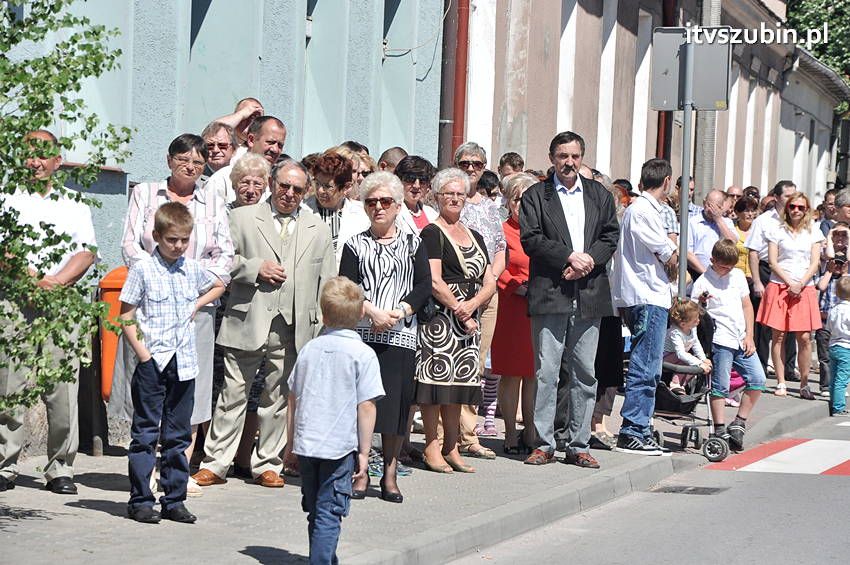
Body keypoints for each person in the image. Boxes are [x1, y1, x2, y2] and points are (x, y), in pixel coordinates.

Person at [192, 159, 336, 489]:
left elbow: (327, 279)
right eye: (284, 186)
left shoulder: (318, 228)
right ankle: (216, 462)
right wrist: (255, 268)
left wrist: (322, 325)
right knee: (232, 393)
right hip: (248, 316)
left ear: (306, 192)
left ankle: (268, 463)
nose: (289, 194)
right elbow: (221, 260)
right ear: (271, 184)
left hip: (294, 324)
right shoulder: (241, 217)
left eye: (297, 189)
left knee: (278, 396)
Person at [118, 133, 233, 494]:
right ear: (170, 160)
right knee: (150, 391)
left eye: (198, 163)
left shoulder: (212, 198)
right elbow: (130, 244)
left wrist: (191, 288)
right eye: (184, 159)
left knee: (189, 393)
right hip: (150, 305)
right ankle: (145, 473)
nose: (191, 167)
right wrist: (159, 275)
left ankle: (177, 474)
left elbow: (224, 255)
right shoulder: (146, 193)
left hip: (195, 305)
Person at [0, 129, 97, 495]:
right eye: (29, 154)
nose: (36, 162)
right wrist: (34, 281)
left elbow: (86, 253)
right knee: (9, 384)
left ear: (58, 161)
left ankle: (61, 468)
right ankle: (5, 464)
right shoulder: (5, 200)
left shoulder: (74, 204)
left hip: (62, 301)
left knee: (62, 389)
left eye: (44, 154)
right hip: (14, 299)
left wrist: (55, 284)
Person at [119, 202, 225, 524]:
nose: (178, 246)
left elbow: (220, 283)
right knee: (146, 434)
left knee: (179, 435)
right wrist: (143, 354)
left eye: (183, 240)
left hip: (185, 363)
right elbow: (126, 314)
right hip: (153, 361)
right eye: (171, 241)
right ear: (156, 237)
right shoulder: (142, 269)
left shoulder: (191, 268)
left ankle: (174, 500)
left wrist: (197, 303)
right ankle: (140, 500)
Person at [519, 131, 619, 468]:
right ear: (552, 158)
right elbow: (531, 239)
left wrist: (588, 260)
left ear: (582, 158)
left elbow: (610, 235)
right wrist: (569, 258)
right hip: (551, 291)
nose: (569, 162)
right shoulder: (536, 195)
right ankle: (544, 442)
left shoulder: (598, 195)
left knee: (584, 372)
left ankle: (578, 443)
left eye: (575, 156)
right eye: (562, 156)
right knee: (547, 371)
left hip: (589, 292)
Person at [338, 172, 431, 501]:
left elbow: (423, 285)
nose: (378, 207)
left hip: (400, 336)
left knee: (395, 408)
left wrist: (400, 312)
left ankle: (390, 474)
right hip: (363, 335)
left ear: (396, 205)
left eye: (385, 201)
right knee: (363, 405)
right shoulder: (355, 244)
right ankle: (360, 471)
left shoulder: (413, 242)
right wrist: (372, 311)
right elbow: (347, 286)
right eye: (371, 202)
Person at [285, 277, 384, 563]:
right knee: (330, 512)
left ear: (324, 316)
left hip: (307, 444)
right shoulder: (363, 355)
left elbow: (293, 399)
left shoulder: (309, 350)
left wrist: (290, 444)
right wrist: (364, 452)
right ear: (361, 314)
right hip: (339, 447)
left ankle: (326, 557)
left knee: (316, 509)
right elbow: (367, 406)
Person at [416, 168, 497, 474]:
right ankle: (432, 447)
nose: (454, 198)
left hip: (469, 320)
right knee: (435, 386)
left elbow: (489, 280)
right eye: (448, 193)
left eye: (459, 193)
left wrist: (474, 305)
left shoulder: (474, 234)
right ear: (436, 197)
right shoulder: (432, 232)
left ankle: (452, 446)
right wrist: (460, 310)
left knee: (459, 386)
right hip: (441, 319)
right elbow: (435, 281)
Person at [611, 158, 678, 455]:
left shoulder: (646, 210)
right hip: (646, 295)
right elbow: (669, 254)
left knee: (649, 364)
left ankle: (640, 425)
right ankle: (633, 429)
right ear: (666, 182)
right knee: (645, 365)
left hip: (650, 294)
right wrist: (672, 258)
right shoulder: (642, 210)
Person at [455, 142, 506, 454]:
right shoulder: (447, 201)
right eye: (464, 163)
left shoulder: (489, 206)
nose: (471, 168)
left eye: (476, 163)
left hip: (488, 292)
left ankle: (468, 434)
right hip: (458, 292)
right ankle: (449, 434)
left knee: (476, 365)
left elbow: (500, 247)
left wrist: (492, 277)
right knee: (452, 363)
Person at [691, 239, 766, 451]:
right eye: (724, 266)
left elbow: (746, 305)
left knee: (757, 379)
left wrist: (749, 335)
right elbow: (695, 313)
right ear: (713, 260)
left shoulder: (738, 276)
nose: (728, 270)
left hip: (740, 336)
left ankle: (739, 422)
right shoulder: (702, 282)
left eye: (731, 266)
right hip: (719, 338)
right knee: (720, 385)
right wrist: (702, 302)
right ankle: (719, 427)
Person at [756, 192, 824, 399]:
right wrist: (789, 283)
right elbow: (773, 261)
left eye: (801, 207)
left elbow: (815, 262)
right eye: (793, 206)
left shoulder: (814, 231)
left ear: (807, 210)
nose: (796, 210)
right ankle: (781, 381)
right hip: (779, 285)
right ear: (787, 208)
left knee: (803, 337)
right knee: (778, 336)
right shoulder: (776, 229)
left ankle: (804, 383)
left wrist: (801, 283)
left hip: (805, 287)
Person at [491, 173, 538, 454]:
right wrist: (514, 285)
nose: (523, 205)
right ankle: (509, 432)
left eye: (528, 199)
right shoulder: (501, 230)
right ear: (509, 202)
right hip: (511, 306)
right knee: (511, 374)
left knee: (533, 374)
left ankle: (530, 430)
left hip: (538, 307)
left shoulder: (541, 231)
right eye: (518, 199)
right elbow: (496, 267)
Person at [745, 181, 799, 381]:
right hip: (768, 271)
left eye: (794, 195)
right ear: (776, 197)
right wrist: (758, 281)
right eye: (787, 196)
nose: (792, 201)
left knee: (792, 323)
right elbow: (753, 252)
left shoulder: (799, 219)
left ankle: (788, 369)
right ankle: (759, 366)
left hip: (792, 272)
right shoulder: (764, 221)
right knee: (765, 324)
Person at [304, 151, 370, 265]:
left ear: (346, 187)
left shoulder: (363, 216)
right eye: (318, 183)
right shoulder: (301, 210)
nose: (320, 190)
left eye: (328, 186)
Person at [205, 115, 286, 204]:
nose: (275, 149)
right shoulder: (220, 180)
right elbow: (208, 215)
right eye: (270, 142)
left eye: (280, 145)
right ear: (251, 140)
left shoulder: (279, 183)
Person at [663, 301, 711, 395]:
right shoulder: (675, 333)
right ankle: (675, 384)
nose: (698, 321)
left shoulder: (692, 328)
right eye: (695, 320)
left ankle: (681, 384)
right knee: (688, 358)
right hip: (665, 357)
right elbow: (680, 354)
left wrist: (703, 359)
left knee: (692, 362)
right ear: (683, 324)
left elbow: (695, 343)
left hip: (680, 357)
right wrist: (699, 363)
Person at [687, 190, 737, 276]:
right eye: (709, 205)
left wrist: (718, 220)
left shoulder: (726, 223)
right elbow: (688, 253)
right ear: (704, 202)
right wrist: (706, 274)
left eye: (716, 207)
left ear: (722, 207)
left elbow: (733, 242)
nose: (711, 210)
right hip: (698, 272)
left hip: (722, 273)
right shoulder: (692, 223)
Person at [394, 155, 438, 234]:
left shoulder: (433, 214)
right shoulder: (392, 212)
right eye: (410, 179)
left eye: (423, 180)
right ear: (399, 180)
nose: (416, 186)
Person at [827, 276, 850, 416]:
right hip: (846, 347)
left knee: (834, 376)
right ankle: (838, 407)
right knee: (842, 379)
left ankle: (834, 401)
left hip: (833, 345)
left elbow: (829, 326)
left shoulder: (834, 309)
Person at [733, 196, 759, 281]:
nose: (750, 214)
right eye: (746, 211)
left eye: (753, 211)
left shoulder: (758, 230)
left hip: (755, 277)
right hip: (735, 277)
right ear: (737, 212)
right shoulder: (731, 230)